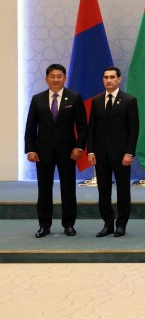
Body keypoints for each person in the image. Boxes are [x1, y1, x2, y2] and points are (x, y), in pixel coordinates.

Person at [24, 63, 87, 237]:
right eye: (52, 76)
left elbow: (82, 126)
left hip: (68, 152)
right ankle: (44, 225)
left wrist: (79, 147)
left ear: (64, 78)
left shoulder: (74, 98)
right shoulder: (37, 99)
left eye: (59, 76)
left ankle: (69, 224)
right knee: (44, 190)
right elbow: (30, 126)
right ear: (46, 79)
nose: (56, 79)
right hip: (42, 152)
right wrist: (30, 149)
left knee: (68, 189)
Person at [86, 67, 139, 237]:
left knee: (123, 191)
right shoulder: (96, 101)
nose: (109, 80)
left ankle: (121, 224)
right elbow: (91, 128)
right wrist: (91, 151)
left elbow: (134, 129)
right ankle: (108, 224)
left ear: (119, 79)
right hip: (101, 155)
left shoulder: (129, 100)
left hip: (121, 155)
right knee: (104, 191)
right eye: (106, 77)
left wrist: (129, 152)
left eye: (112, 77)